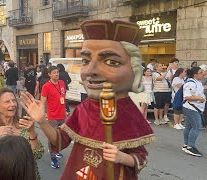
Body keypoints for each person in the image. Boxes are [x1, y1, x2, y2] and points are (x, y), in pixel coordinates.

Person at [20, 20, 155, 179]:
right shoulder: (83, 108)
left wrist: (122, 157)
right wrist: (42, 121)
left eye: (111, 62)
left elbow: (141, 158)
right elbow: (60, 140)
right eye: (85, 61)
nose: (90, 71)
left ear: (134, 70)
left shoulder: (130, 113)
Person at [0, 87, 44, 180]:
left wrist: (31, 131)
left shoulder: (24, 126)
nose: (13, 104)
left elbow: (38, 154)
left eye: (14, 101)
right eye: (7, 102)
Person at [40, 66, 66, 169]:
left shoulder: (62, 83)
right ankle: (53, 158)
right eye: (54, 72)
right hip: (52, 116)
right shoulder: (46, 86)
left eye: (57, 72)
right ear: (49, 74)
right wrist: (43, 114)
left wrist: (66, 110)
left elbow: (63, 97)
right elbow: (42, 102)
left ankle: (57, 151)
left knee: (61, 136)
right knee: (52, 138)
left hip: (62, 115)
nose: (57, 74)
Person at [182, 67, 205, 157]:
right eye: (200, 72)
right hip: (191, 108)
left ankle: (186, 145)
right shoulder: (191, 83)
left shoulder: (197, 82)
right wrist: (200, 98)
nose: (202, 74)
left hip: (194, 108)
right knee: (197, 127)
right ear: (195, 74)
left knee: (189, 126)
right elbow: (187, 96)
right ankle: (190, 147)